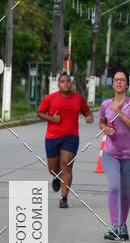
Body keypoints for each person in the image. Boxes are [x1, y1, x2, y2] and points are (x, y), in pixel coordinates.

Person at [37, 72, 94, 207]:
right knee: (52, 168)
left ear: (71, 83)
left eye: (68, 81)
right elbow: (39, 113)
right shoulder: (51, 98)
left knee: (67, 166)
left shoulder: (78, 99)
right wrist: (52, 119)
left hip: (71, 137)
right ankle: (56, 176)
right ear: (58, 84)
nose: (66, 83)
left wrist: (89, 116)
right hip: (52, 137)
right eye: (63, 81)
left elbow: (87, 111)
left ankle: (64, 198)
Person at [99, 69, 130, 241]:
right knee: (114, 187)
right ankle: (114, 226)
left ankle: (123, 225)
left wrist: (120, 112)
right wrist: (104, 128)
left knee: (125, 191)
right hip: (111, 153)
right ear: (113, 83)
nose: (119, 82)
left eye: (122, 80)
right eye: (116, 80)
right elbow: (102, 121)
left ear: (127, 84)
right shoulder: (105, 104)